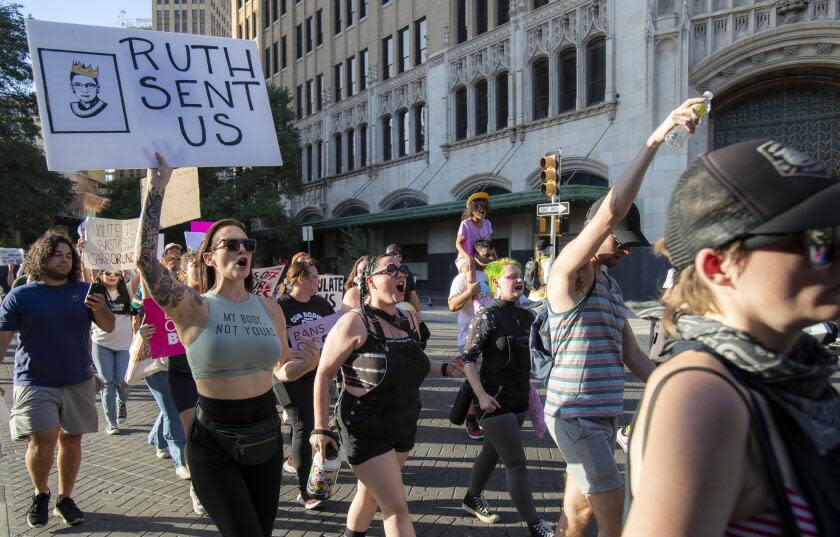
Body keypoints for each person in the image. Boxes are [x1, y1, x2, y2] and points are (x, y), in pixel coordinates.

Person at [623, 139, 840, 536]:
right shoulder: (703, 397)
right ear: (718, 266)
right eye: (817, 241)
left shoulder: (796, 373)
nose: (833, 256)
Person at [544, 101, 704, 537]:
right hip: (576, 418)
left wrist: (673, 386)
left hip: (601, 417)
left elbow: (631, 352)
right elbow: (611, 212)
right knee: (619, 526)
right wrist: (656, 138)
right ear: (599, 230)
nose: (627, 249)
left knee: (576, 518)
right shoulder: (571, 273)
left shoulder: (611, 289)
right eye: (622, 241)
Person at [135, 154, 317, 537]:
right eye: (230, 243)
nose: (242, 250)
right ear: (210, 258)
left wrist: (308, 362)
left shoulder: (270, 308)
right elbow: (145, 265)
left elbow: (281, 368)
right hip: (214, 440)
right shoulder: (195, 307)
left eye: (246, 243)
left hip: (266, 438)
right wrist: (156, 190)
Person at [312, 254, 464, 537]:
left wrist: (444, 368)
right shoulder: (353, 323)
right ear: (370, 281)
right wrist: (320, 428)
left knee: (370, 496)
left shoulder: (408, 318)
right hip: (365, 426)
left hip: (403, 422)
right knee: (396, 508)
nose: (400, 274)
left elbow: (416, 363)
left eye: (402, 269)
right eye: (390, 270)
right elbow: (323, 374)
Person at [0, 230, 115, 527]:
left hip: (77, 379)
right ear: (42, 257)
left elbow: (109, 326)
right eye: (57, 255)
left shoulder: (86, 290)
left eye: (68, 256)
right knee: (42, 440)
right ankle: (41, 493)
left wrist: (100, 308)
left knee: (71, 439)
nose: (64, 260)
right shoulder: (21, 294)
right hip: (34, 380)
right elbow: (3, 337)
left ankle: (65, 498)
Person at [461, 258, 555, 537]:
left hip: (518, 401)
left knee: (491, 451)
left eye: (519, 275)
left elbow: (543, 352)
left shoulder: (527, 316)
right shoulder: (487, 316)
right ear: (496, 283)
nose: (518, 279)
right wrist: (481, 396)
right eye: (510, 276)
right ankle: (535, 525)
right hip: (493, 402)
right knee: (515, 462)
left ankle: (471, 497)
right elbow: (468, 360)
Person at [273, 254, 335, 509]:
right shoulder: (281, 306)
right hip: (288, 373)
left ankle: (295, 462)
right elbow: (274, 342)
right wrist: (290, 351)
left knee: (306, 424)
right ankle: (304, 490)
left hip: (317, 374)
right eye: (314, 276)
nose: (318, 281)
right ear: (300, 279)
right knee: (303, 424)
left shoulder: (322, 304)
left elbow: (335, 333)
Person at [141, 253, 189, 480]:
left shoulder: (187, 298)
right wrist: (141, 334)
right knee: (173, 411)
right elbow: (137, 320)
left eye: (171, 274)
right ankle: (182, 460)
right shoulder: (148, 299)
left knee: (169, 407)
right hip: (157, 366)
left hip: (179, 363)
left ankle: (156, 439)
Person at [166, 250, 206, 514]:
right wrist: (148, 333)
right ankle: (198, 487)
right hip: (182, 373)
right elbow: (155, 326)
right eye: (194, 277)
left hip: (211, 376)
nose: (200, 283)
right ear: (182, 276)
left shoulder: (218, 299)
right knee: (193, 432)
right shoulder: (171, 300)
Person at [448, 239, 499, 441]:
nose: (491, 259)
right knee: (474, 379)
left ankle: (486, 415)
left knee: (490, 378)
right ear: (475, 256)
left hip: (494, 335)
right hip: (470, 336)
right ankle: (470, 417)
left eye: (493, 255)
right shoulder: (462, 278)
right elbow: (452, 305)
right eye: (487, 255)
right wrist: (469, 292)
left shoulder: (496, 275)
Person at [90, 269, 135, 435]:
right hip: (101, 344)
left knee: (123, 381)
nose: (112, 276)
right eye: (108, 272)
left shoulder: (128, 290)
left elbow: (141, 274)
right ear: (101, 275)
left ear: (121, 276)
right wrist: (85, 254)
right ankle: (111, 422)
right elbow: (88, 271)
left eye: (116, 273)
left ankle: (121, 402)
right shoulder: (95, 291)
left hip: (124, 345)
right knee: (107, 382)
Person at [455, 192, 494, 284]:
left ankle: (495, 296)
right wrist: (468, 257)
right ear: (471, 210)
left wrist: (496, 259)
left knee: (496, 267)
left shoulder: (487, 224)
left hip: (480, 257)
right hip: (465, 259)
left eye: (484, 208)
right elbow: (458, 243)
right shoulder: (465, 224)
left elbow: (489, 245)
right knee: (471, 267)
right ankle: (471, 294)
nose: (482, 211)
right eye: (478, 208)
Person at [384, 244, 421, 312]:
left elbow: (413, 293)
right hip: (387, 311)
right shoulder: (382, 271)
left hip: (404, 309)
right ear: (387, 257)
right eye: (394, 253)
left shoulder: (405, 270)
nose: (397, 256)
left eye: (399, 254)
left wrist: (418, 314)